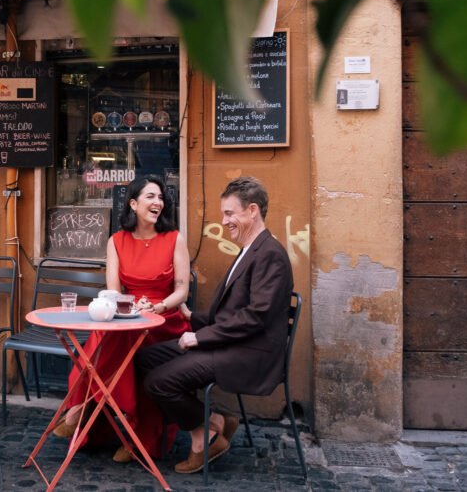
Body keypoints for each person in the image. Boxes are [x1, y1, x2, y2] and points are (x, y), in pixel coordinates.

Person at [136, 176, 293, 474]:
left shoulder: (270, 254)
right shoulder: (251, 250)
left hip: (249, 354)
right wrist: (189, 315)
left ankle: (205, 438)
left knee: (159, 383)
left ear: (253, 211)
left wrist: (199, 337)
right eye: (224, 214)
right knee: (145, 358)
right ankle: (216, 422)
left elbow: (255, 316)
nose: (224, 221)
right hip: (231, 343)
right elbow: (232, 312)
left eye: (230, 213)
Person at [52, 175, 191, 463]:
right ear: (133, 203)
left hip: (166, 321)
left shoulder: (174, 239)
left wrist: (159, 306)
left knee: (118, 338)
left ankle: (80, 409)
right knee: (114, 334)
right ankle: (122, 420)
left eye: (161, 198)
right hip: (130, 312)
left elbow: (182, 290)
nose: (158, 203)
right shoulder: (116, 241)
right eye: (151, 197)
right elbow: (114, 291)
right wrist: (132, 306)